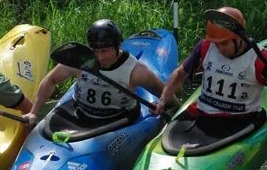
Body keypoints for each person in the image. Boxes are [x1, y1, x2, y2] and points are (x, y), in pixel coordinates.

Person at [154, 7, 267, 132]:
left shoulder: (261, 60)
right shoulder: (205, 46)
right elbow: (179, 74)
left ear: (240, 37)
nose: (219, 49)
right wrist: (163, 100)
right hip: (203, 117)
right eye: (216, 44)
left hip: (240, 122)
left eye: (224, 43)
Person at [28, 19, 166, 127]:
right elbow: (50, 80)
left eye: (105, 51)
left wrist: (162, 105)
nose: (100, 58)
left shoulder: (136, 71)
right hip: (80, 113)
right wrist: (33, 112)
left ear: (118, 46)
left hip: (118, 119)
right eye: (95, 51)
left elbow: (167, 95)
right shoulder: (81, 60)